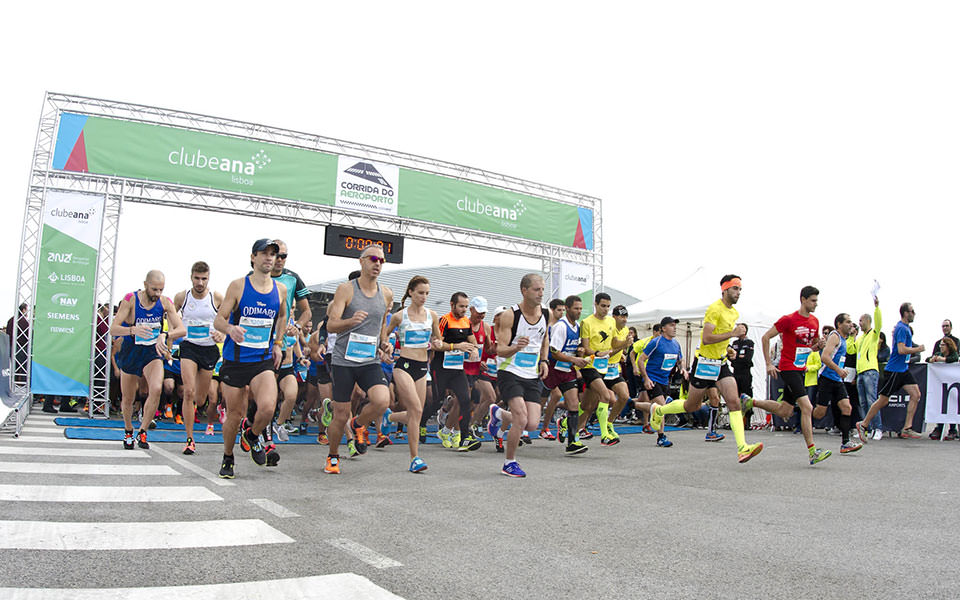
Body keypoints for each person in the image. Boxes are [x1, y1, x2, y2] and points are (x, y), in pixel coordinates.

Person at [650, 275, 762, 463]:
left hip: (721, 363)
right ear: (725, 290)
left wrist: (728, 350)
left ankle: (742, 447)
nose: (738, 293)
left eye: (740, 289)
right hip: (704, 363)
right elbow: (707, 339)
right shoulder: (714, 309)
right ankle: (659, 411)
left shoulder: (734, 313)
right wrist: (733, 333)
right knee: (690, 405)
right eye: (735, 288)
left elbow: (721, 339)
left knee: (733, 401)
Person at [214, 239, 287, 478]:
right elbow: (219, 320)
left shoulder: (280, 289)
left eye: (273, 254)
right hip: (235, 360)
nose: (269, 258)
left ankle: (252, 435)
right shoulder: (237, 286)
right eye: (264, 253)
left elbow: (283, 317)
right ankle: (228, 457)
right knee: (235, 414)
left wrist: (277, 343)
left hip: (262, 360)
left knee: (267, 407)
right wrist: (230, 329)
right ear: (253, 258)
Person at [323, 245, 394, 474]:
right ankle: (333, 456)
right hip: (344, 360)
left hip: (369, 360)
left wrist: (384, 341)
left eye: (382, 261)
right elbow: (331, 325)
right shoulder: (346, 290)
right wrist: (349, 321)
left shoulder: (386, 294)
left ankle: (358, 425)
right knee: (341, 413)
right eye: (373, 259)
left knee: (383, 401)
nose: (378, 264)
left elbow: (381, 323)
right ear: (361, 261)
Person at [750, 285, 831, 465]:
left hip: (800, 369)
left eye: (817, 301)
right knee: (807, 407)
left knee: (784, 410)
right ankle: (812, 452)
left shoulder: (815, 321)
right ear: (803, 299)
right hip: (788, 367)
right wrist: (769, 364)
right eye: (813, 300)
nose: (816, 304)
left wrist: (820, 344)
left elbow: (811, 344)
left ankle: (750, 402)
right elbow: (765, 337)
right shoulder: (788, 320)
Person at [110, 271, 186, 450]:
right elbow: (114, 329)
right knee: (128, 397)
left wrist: (165, 334)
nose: (158, 294)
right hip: (131, 351)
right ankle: (128, 430)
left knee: (157, 388)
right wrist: (132, 330)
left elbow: (182, 329)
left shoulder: (165, 302)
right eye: (154, 289)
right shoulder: (131, 300)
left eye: (161, 289)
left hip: (152, 352)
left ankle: (143, 430)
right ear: (145, 284)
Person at [487, 273, 551, 477]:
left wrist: (544, 360)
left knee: (531, 423)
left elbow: (545, 339)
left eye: (542, 289)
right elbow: (500, 349)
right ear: (524, 291)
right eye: (537, 289)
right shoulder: (510, 315)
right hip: (510, 371)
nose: (541, 293)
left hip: (531, 373)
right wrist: (515, 348)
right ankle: (509, 462)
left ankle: (498, 414)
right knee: (521, 418)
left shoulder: (546, 314)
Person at [381, 275, 442, 472]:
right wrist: (386, 346)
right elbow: (386, 334)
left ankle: (389, 418)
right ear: (411, 293)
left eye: (427, 293)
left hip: (422, 367)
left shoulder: (432, 315)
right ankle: (415, 458)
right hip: (403, 365)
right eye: (420, 293)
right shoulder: (400, 316)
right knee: (415, 408)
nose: (424, 297)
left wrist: (439, 344)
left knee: (416, 413)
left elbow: (437, 340)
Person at [173, 261, 225, 455]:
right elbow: (171, 312)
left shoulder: (216, 297)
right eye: (197, 278)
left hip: (209, 349)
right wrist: (176, 329)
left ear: (208, 278)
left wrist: (223, 334)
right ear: (191, 277)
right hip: (189, 348)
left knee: (200, 399)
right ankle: (189, 439)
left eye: (204, 279)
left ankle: (198, 407)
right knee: (188, 392)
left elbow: (227, 320)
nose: (200, 283)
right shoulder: (182, 297)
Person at [856, 302, 925, 443]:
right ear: (905, 313)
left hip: (903, 369)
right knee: (883, 400)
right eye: (912, 311)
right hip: (894, 370)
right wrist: (918, 350)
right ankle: (863, 425)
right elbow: (901, 350)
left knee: (916, 394)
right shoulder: (901, 328)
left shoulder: (905, 328)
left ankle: (907, 427)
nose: (914, 313)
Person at [577, 293, 631, 446]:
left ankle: (568, 424)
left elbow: (614, 343)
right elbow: (585, 348)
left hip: (605, 367)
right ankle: (604, 435)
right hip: (590, 366)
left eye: (608, 306)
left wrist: (624, 345)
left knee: (589, 406)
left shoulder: (610, 322)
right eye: (603, 306)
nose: (606, 309)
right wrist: (597, 353)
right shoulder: (586, 323)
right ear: (595, 304)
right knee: (603, 398)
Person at [431, 292, 480, 452]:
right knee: (436, 401)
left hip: (457, 368)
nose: (464, 310)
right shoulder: (444, 320)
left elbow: (471, 337)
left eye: (466, 306)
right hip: (441, 367)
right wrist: (457, 346)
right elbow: (438, 344)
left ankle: (465, 437)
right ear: (452, 305)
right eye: (461, 306)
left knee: (466, 399)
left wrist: (474, 349)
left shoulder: (466, 321)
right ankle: (422, 423)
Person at [542, 294, 589, 455]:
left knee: (574, 404)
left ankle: (572, 441)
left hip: (567, 371)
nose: (579, 311)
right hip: (552, 370)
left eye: (581, 309)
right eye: (576, 308)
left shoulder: (577, 327)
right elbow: (554, 352)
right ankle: (520, 429)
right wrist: (574, 358)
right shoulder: (561, 327)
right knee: (536, 406)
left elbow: (572, 348)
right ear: (567, 309)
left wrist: (580, 351)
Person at [813, 313, 863, 454]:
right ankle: (801, 412)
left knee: (847, 407)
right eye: (847, 322)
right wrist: (839, 370)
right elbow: (825, 357)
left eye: (851, 322)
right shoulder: (835, 336)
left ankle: (845, 443)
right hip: (827, 378)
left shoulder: (845, 339)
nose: (851, 324)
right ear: (839, 324)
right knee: (819, 413)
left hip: (837, 380)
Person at [637, 316, 688, 448]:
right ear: (663, 328)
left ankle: (631, 404)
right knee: (661, 407)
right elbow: (641, 360)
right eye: (671, 325)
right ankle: (661, 437)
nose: (675, 328)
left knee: (656, 407)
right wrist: (646, 378)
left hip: (665, 380)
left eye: (675, 325)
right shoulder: (656, 342)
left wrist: (683, 370)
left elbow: (680, 360)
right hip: (653, 379)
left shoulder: (676, 344)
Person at [856, 297, 884, 441]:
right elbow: (850, 350)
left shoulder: (873, 334)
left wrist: (877, 308)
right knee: (863, 403)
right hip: (860, 372)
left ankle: (878, 428)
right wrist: (850, 336)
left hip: (870, 371)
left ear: (867, 321)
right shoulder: (859, 338)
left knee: (872, 400)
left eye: (861, 321)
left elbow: (879, 324)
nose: (859, 323)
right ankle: (866, 428)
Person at [270, 240, 312, 332]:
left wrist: (297, 327)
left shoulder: (293, 278)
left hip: (280, 336)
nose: (280, 260)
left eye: (283, 256)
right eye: (276, 256)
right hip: (256, 335)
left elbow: (307, 312)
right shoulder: (254, 276)